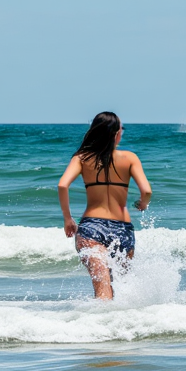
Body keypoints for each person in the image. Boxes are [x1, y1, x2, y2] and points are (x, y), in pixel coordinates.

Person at [58, 112, 152, 299]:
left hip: (91, 228)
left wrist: (68, 219)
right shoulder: (130, 158)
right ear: (116, 133)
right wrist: (142, 204)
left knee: (102, 291)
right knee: (122, 292)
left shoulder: (82, 158)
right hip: (123, 230)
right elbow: (147, 192)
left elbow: (62, 185)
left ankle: (98, 326)